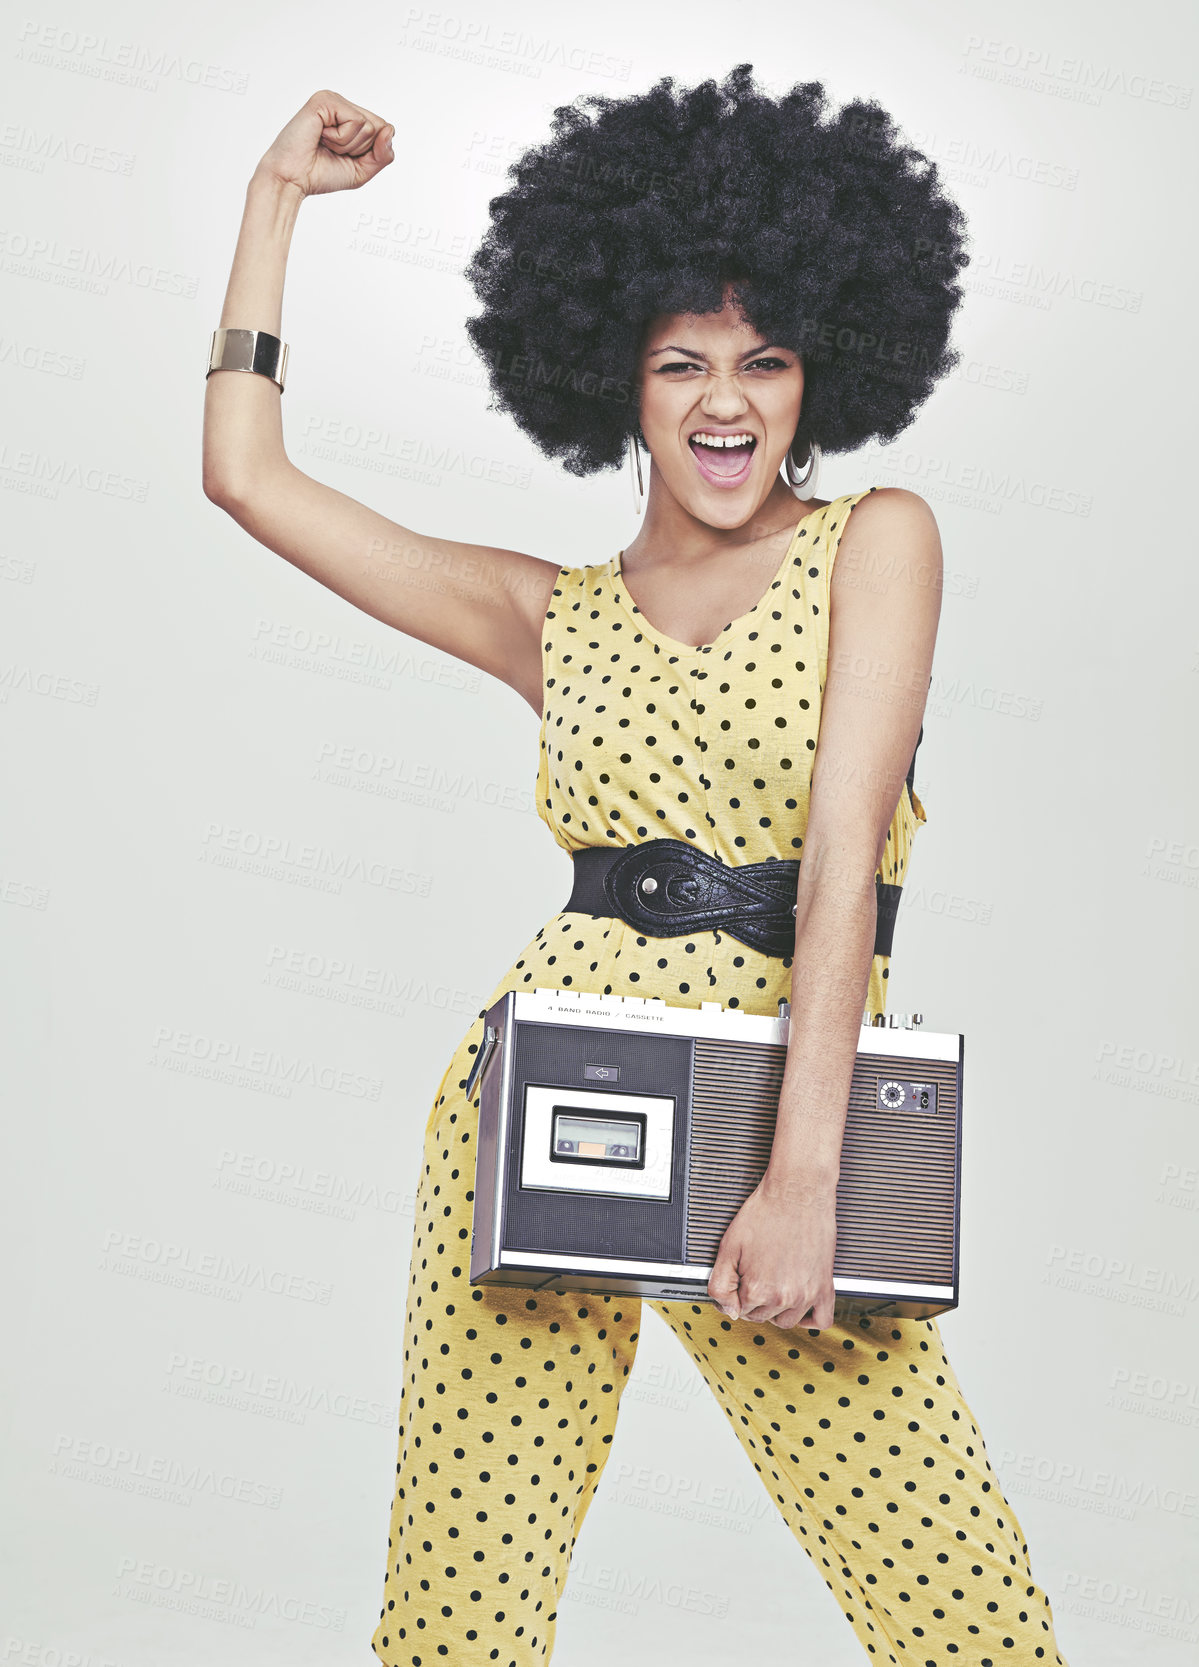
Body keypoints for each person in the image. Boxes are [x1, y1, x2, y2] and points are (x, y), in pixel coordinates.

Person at [203, 67, 1070, 1667]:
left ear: (823, 372)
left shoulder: (873, 541)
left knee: (966, 1623)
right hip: (532, 1111)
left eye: (766, 358)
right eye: (680, 360)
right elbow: (250, 481)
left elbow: (837, 871)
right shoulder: (549, 614)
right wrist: (273, 204)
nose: (724, 400)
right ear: (616, 372)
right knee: (456, 1627)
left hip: (770, 1120)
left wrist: (803, 1176)